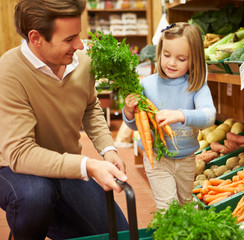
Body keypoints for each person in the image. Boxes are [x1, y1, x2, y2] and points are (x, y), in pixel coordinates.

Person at [0, 0, 129, 239]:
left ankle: (51, 218)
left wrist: (108, 149)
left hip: (65, 164)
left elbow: (90, 106)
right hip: (13, 167)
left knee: (118, 233)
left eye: (78, 35)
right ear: (36, 38)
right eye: (69, 39)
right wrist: (88, 166)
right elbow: (20, 154)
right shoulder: (9, 71)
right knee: (36, 196)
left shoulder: (82, 59)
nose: (80, 45)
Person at [123, 22, 216, 209]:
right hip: (157, 159)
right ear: (160, 53)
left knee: (185, 206)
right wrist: (128, 112)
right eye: (166, 55)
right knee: (168, 208)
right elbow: (137, 126)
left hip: (187, 160)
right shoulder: (147, 85)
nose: (172, 62)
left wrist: (180, 115)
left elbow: (209, 116)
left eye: (181, 59)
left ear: (194, 60)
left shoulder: (196, 86)